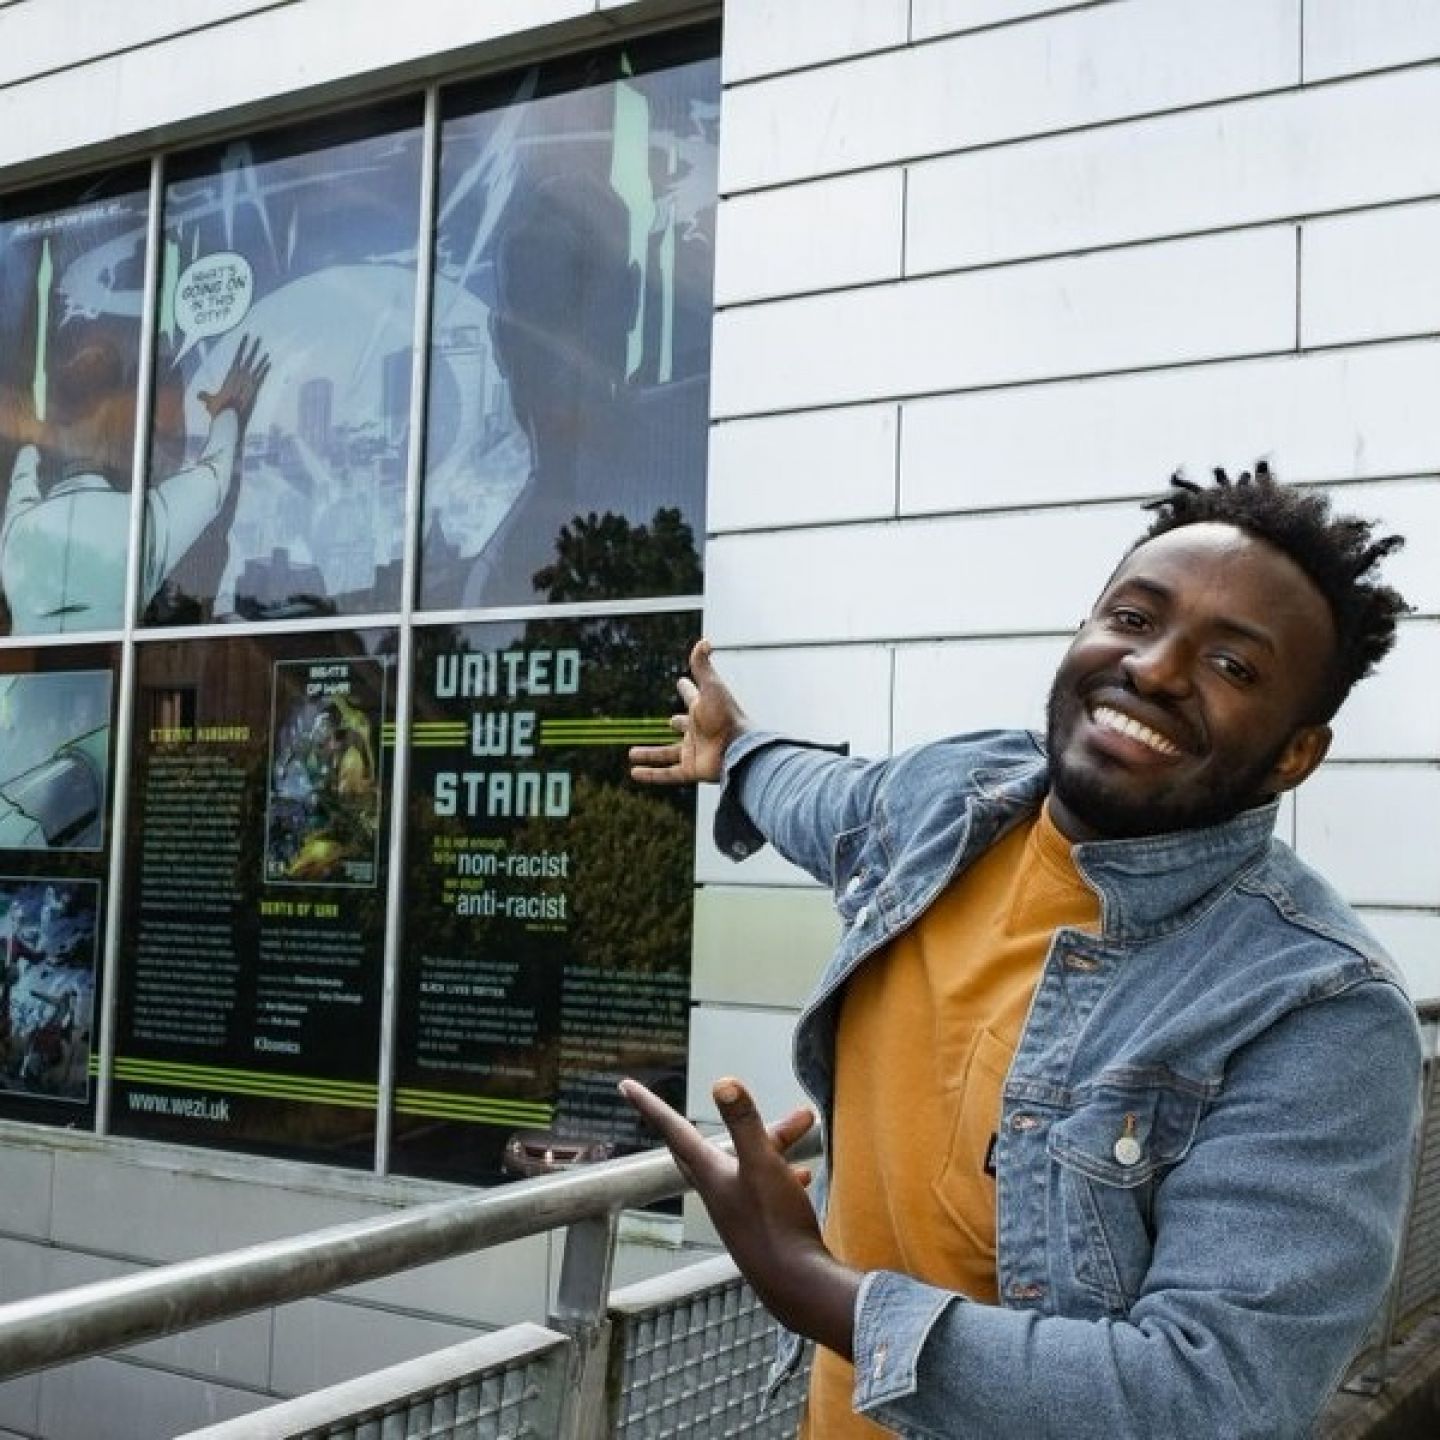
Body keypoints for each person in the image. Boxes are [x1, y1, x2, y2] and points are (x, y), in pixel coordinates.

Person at [621, 467, 1422, 1439]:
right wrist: (739, 752)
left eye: (1234, 667)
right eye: (1134, 618)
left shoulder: (1317, 1009)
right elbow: (822, 799)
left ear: (1297, 753)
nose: (1158, 669)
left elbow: (1212, 1398)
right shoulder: (954, 796)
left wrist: (810, 1287)